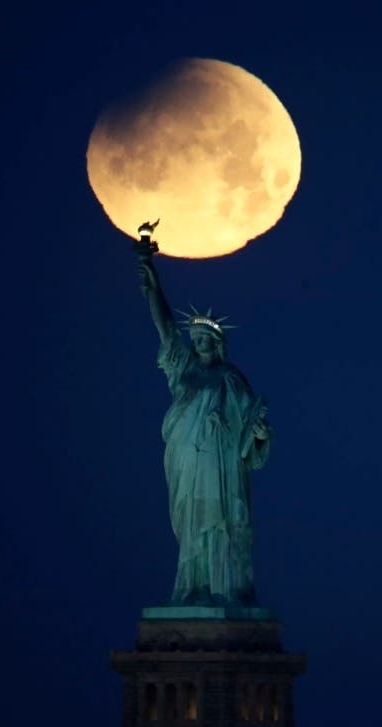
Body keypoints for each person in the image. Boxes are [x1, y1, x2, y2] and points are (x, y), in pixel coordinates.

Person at [136, 238, 271, 606]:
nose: (197, 343)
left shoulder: (230, 378)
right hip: (187, 461)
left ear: (217, 342)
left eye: (203, 338)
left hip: (222, 463)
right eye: (193, 337)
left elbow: (251, 432)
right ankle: (192, 587)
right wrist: (152, 276)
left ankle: (224, 589)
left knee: (222, 523)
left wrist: (258, 434)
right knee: (193, 524)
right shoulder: (184, 371)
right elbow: (165, 327)